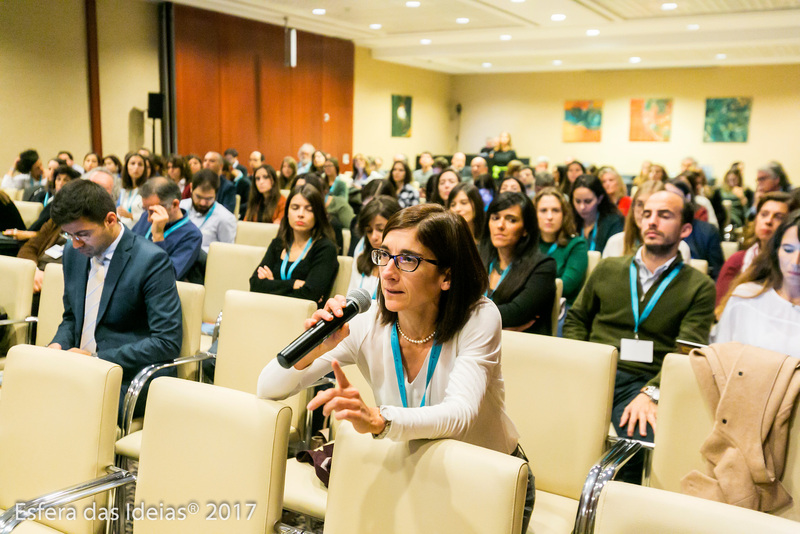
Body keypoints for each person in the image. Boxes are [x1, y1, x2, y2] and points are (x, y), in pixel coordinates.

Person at [256, 203, 535, 532]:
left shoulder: (478, 317)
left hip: (488, 478)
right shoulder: (367, 321)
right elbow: (268, 387)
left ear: (447, 275)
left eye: (408, 260)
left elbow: (459, 414)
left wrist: (378, 419)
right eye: (384, 255)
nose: (387, 271)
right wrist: (319, 345)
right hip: (413, 471)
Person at [564, 191, 716, 476]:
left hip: (645, 380)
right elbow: (576, 320)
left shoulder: (699, 286)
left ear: (685, 229)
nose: (652, 221)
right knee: (548, 422)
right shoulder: (608, 268)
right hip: (597, 369)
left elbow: (687, 351)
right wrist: (581, 365)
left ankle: (617, 513)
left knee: (638, 440)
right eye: (647, 214)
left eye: (664, 215)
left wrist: (652, 392)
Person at [48, 178, 182, 420]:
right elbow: (71, 317)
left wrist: (97, 359)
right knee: (27, 389)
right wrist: (57, 345)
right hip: (78, 366)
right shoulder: (73, 253)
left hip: (127, 376)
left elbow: (167, 342)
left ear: (110, 219)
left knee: (62, 407)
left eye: (83, 234)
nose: (76, 243)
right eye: (69, 235)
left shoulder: (151, 261)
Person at [16, 168, 110, 308]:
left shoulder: (103, 229)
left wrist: (52, 279)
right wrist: (34, 271)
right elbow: (30, 247)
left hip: (62, 286)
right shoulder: (59, 220)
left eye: (101, 189)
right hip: (37, 278)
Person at [713, 210, 800, 357]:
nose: (795, 262)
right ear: (776, 250)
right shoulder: (746, 297)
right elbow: (717, 362)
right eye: (788, 250)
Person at [249, 184, 338, 307]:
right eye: (295, 208)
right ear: (287, 212)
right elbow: (255, 284)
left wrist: (272, 284)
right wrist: (293, 284)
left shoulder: (325, 249)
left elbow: (310, 295)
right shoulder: (278, 244)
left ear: (318, 214)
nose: (300, 214)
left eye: (309, 209)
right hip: (268, 311)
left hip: (305, 320)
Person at [481, 192, 557, 335]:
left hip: (523, 349)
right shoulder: (478, 257)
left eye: (511, 220)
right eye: (495, 218)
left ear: (525, 229)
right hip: (477, 343)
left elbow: (516, 313)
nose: (500, 225)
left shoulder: (543, 265)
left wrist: (467, 316)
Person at [715, 192, 795, 306]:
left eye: (778, 217)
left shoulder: (794, 267)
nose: (768, 221)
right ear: (756, 219)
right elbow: (720, 309)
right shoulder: (737, 261)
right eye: (764, 214)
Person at [132, 177, 203, 281]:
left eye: (154, 210)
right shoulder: (145, 217)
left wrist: (158, 236)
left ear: (175, 204)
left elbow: (168, 276)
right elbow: (128, 247)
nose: (148, 218)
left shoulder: (192, 235)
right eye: (145, 209)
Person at [603, 180, 692, 262]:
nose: (644, 212)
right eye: (640, 204)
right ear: (633, 207)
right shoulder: (615, 242)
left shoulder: (681, 247)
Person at [534, 187, 588, 307]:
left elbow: (566, 286)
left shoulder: (577, 244)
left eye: (555, 210)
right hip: (529, 304)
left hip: (562, 307)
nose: (549, 216)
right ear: (534, 215)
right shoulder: (528, 243)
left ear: (564, 214)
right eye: (543, 210)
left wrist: (529, 291)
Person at [665, 179, 724, 279]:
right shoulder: (654, 230)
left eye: (674, 196)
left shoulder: (708, 231)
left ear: (687, 198)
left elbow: (718, 275)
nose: (667, 201)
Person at [348, 195, 401, 298]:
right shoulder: (361, 258)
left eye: (380, 229)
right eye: (369, 231)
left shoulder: (403, 265)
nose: (373, 237)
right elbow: (350, 297)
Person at [179, 169, 237, 252]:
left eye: (209, 199)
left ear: (216, 194)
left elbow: (227, 253)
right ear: (191, 188)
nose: (203, 203)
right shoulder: (180, 207)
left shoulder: (225, 218)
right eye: (198, 197)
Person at [571, 174, 624, 254]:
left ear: (600, 199)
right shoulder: (569, 221)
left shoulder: (614, 222)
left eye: (588, 201)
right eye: (577, 201)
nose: (582, 207)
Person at [117, 152, 146, 229]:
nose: (136, 167)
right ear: (126, 166)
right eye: (132, 163)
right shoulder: (124, 190)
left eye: (140, 164)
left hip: (140, 231)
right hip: (124, 229)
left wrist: (130, 215)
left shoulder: (148, 189)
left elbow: (149, 216)